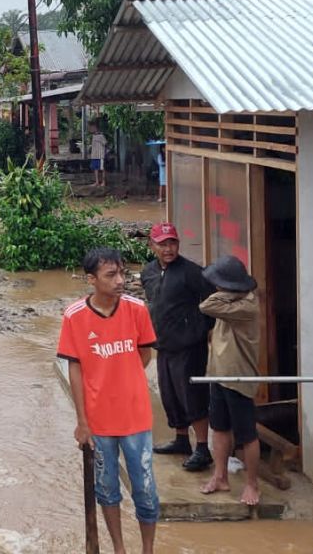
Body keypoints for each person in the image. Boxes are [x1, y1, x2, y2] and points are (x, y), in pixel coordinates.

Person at [58, 248, 159, 554]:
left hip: (136, 417)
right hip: (98, 421)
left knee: (145, 489)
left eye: (122, 273)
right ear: (92, 279)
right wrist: (82, 422)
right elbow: (74, 369)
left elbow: (145, 353)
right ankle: (118, 548)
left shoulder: (136, 309)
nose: (120, 281)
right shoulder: (74, 317)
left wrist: (121, 377)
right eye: (111, 275)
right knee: (106, 488)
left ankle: (148, 549)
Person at [141, 222, 214, 471]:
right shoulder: (148, 272)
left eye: (172, 243)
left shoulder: (192, 272)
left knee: (192, 395)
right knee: (170, 394)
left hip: (189, 346)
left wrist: (199, 328)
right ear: (152, 246)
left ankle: (203, 448)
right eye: (162, 244)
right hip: (163, 344)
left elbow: (213, 300)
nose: (168, 248)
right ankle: (182, 440)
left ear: (178, 244)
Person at [198, 255, 263, 507]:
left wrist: (226, 291)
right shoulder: (233, 299)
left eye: (219, 283)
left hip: (238, 377)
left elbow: (206, 306)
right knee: (220, 428)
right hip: (219, 374)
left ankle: (251, 484)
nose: (215, 288)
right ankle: (220, 476)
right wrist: (227, 290)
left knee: (247, 434)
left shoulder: (246, 306)